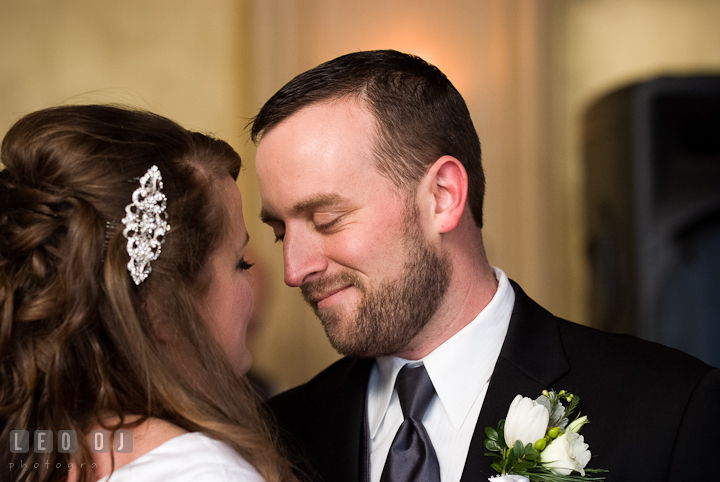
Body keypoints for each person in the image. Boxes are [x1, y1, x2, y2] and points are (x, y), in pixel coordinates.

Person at [249, 50, 720, 481]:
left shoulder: (667, 409)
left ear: (443, 196)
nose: (295, 269)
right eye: (279, 231)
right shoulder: (278, 436)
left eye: (326, 220)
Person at [0, 105, 298, 482]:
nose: (289, 276)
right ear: (160, 311)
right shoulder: (204, 473)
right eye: (241, 263)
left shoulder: (34, 453)